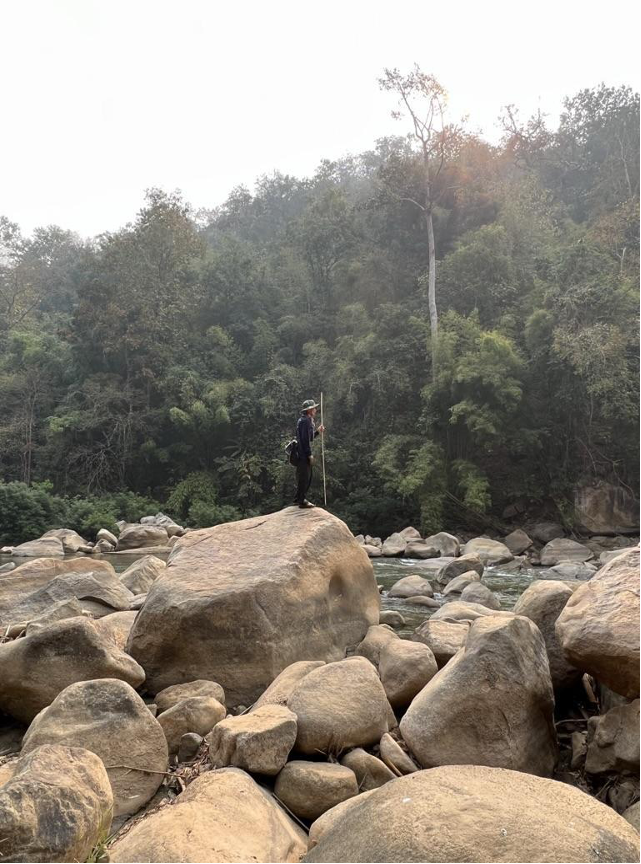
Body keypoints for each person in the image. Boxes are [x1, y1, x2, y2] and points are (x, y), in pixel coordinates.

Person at [294, 399, 325, 508]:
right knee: (305, 477)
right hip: (303, 454)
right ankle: (301, 500)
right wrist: (309, 454)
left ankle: (298, 498)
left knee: (304, 476)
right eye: (314, 408)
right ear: (309, 410)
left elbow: (310, 437)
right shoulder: (306, 421)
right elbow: (305, 440)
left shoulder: (304, 420)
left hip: (300, 452)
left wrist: (317, 431)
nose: (315, 410)